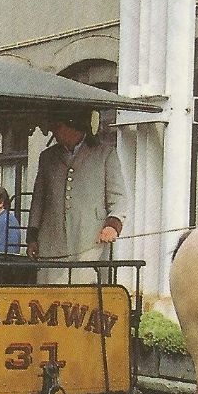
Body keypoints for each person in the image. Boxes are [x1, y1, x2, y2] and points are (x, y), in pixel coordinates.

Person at [27, 112, 127, 284]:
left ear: (74, 125)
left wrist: (112, 225)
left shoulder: (105, 154)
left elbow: (118, 198)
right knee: (50, 295)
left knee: (86, 296)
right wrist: (32, 237)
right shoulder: (47, 157)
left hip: (89, 242)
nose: (54, 133)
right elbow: (38, 201)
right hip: (52, 242)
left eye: (58, 127)